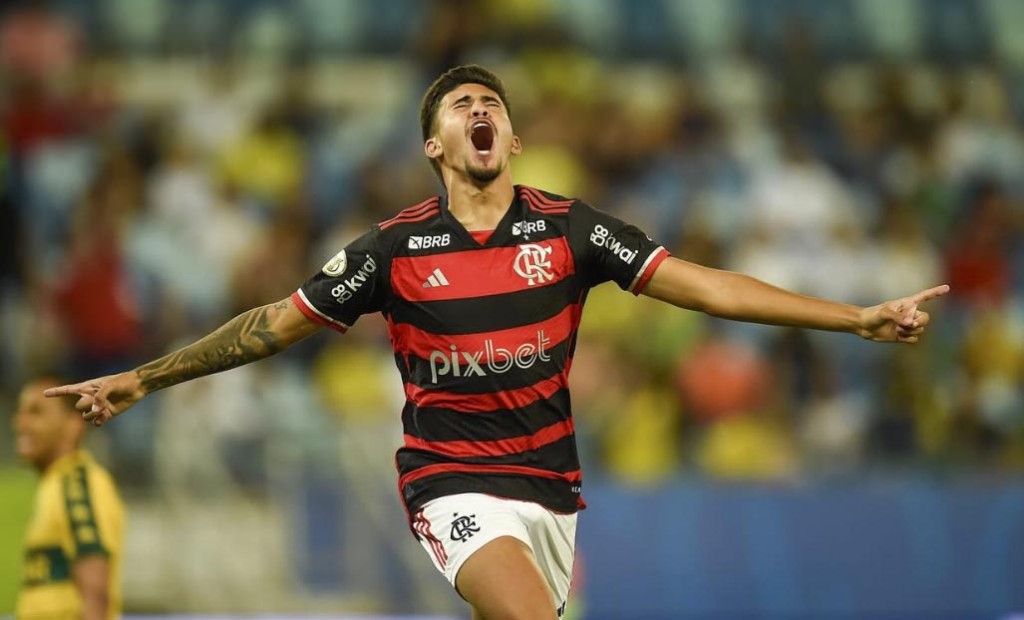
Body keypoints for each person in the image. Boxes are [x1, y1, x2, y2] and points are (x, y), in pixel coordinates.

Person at [45, 65, 948, 619]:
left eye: (491, 103)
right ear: (435, 145)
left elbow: (710, 287)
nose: (478, 109)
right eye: (459, 104)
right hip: (450, 480)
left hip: (550, 487)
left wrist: (855, 317)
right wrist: (144, 379)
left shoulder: (572, 229)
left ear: (512, 137)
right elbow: (271, 326)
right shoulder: (393, 250)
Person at [14, 377, 124, 620]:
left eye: (35, 412)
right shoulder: (55, 485)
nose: (20, 422)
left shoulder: (76, 482)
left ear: (73, 425)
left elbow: (95, 592)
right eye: (20, 412)